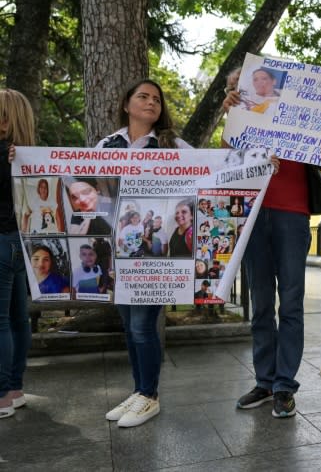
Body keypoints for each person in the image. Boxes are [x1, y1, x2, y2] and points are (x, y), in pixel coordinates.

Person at [223, 75, 321, 419]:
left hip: (293, 215)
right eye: (235, 85)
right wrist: (231, 119)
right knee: (261, 303)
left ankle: (284, 386)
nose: (246, 87)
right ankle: (265, 382)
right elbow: (223, 165)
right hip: (252, 213)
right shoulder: (235, 119)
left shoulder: (299, 113)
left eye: (252, 79)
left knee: (291, 302)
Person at [96, 79, 191, 428]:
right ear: (126, 104)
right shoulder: (107, 145)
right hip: (117, 251)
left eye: (156, 99)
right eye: (143, 96)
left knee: (141, 324)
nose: (151, 102)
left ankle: (149, 396)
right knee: (127, 323)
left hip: (154, 254)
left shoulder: (172, 144)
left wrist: (256, 163)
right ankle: (140, 392)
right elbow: (90, 187)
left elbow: (214, 168)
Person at [0, 88, 35, 418]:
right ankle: (14, 388)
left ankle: (2, 396)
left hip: (1, 241)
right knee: (16, 319)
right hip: (18, 244)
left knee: (2, 321)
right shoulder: (24, 156)